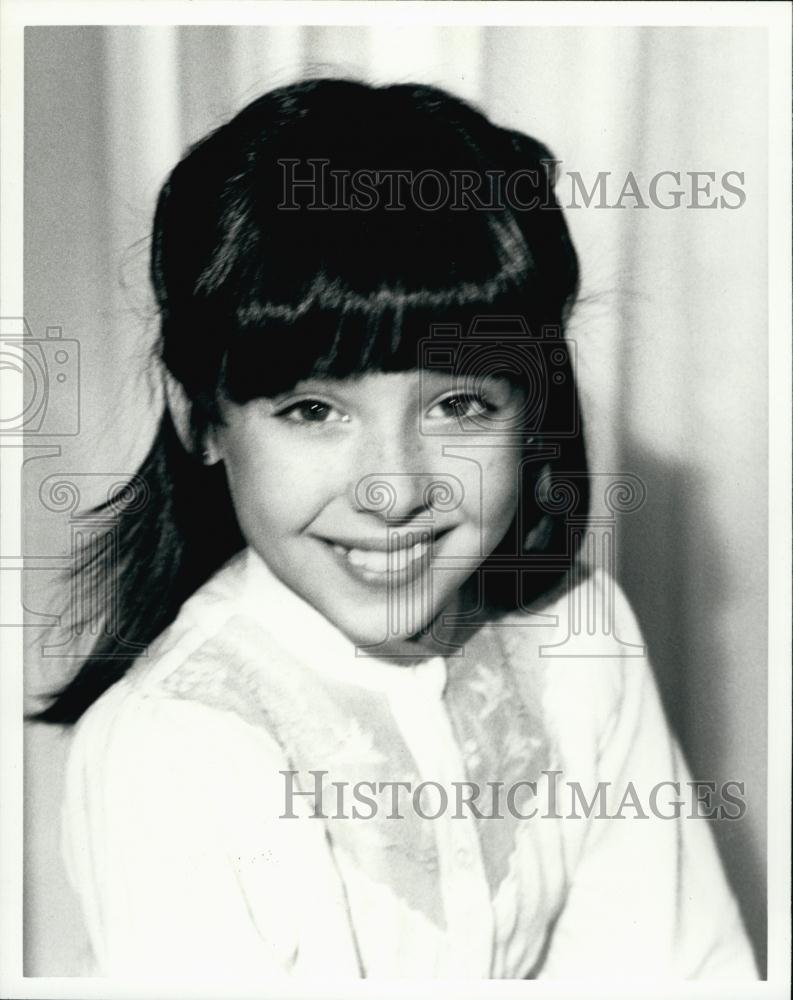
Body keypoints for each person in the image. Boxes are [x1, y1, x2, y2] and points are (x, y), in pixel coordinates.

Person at [36, 78, 757, 980]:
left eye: (458, 404)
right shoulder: (171, 746)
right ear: (202, 421)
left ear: (532, 407)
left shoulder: (580, 639)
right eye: (310, 410)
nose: (394, 490)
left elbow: (682, 974)